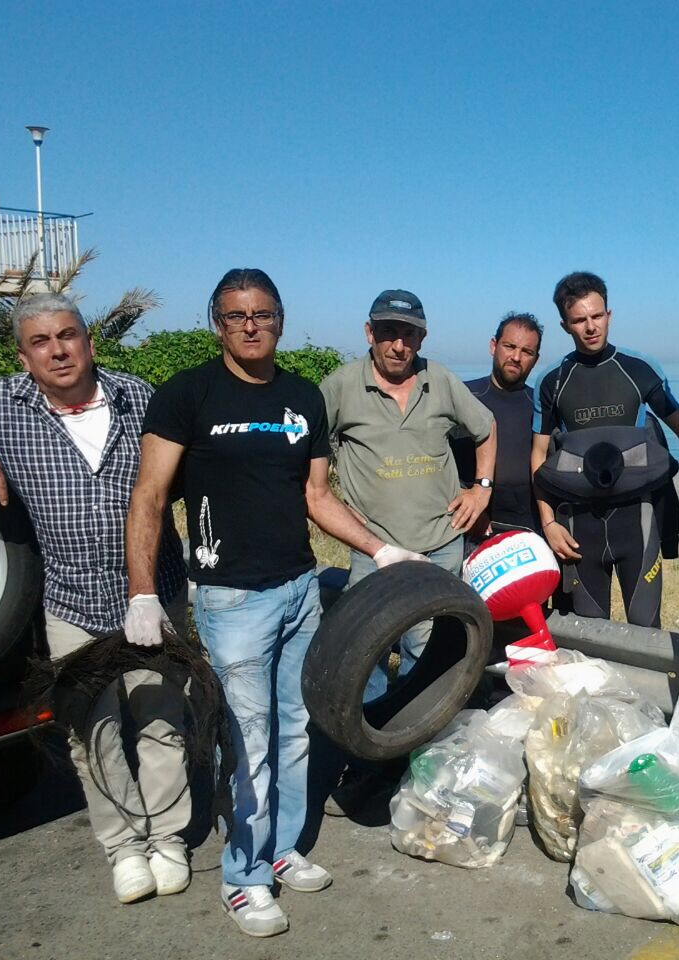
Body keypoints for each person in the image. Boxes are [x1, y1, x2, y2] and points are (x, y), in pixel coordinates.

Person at [126, 269, 418, 937]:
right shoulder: (186, 395)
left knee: (294, 732)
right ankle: (243, 876)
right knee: (248, 741)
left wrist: (382, 549)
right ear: (217, 324)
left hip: (297, 589)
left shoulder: (301, 398)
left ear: (280, 319)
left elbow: (317, 498)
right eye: (236, 316)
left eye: (262, 314)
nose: (250, 325)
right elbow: (148, 497)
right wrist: (143, 592)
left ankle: (282, 850)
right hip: (230, 601)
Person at [0, 292, 190, 904]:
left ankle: (169, 839)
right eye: (41, 342)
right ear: (24, 356)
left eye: (68, 335)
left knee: (161, 719)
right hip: (71, 600)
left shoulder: (139, 396)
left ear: (89, 340)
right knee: (92, 728)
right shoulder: (1, 403)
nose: (58, 350)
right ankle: (125, 848)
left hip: (153, 593)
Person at [532, 271, 679, 627]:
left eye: (597, 316)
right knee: (591, 639)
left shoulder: (638, 369)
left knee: (646, 629)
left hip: (637, 520)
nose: (591, 327)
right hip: (578, 527)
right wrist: (548, 523)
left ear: (609, 315)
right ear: (565, 326)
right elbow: (539, 458)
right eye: (579, 320)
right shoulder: (552, 381)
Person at [320, 289, 495, 699]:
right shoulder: (340, 387)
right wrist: (332, 503)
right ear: (369, 332)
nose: (399, 345)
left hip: (441, 544)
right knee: (368, 652)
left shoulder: (441, 379)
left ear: (422, 337)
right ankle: (372, 750)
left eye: (409, 334)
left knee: (430, 651)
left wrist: (480, 489)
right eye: (388, 332)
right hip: (374, 550)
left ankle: (420, 745)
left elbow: (485, 428)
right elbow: (304, 453)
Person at [452, 311, 543, 539]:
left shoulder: (542, 406)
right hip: (469, 523)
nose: (516, 357)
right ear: (494, 346)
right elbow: (435, 458)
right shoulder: (463, 396)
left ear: (535, 359)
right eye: (509, 346)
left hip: (528, 527)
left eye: (526, 352)